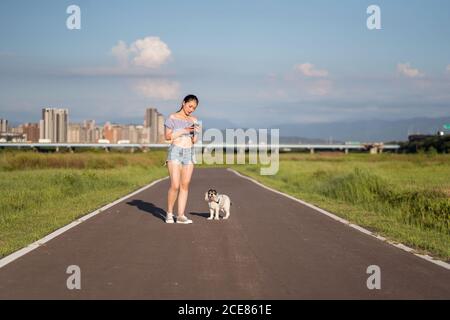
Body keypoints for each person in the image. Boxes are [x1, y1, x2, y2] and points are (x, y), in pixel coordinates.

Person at [164, 94, 200, 224]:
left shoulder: (194, 119)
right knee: (175, 185)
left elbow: (194, 140)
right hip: (175, 151)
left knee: (185, 185)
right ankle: (169, 213)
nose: (191, 109)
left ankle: (180, 215)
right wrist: (184, 130)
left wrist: (196, 132)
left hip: (189, 152)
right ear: (183, 103)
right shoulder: (172, 117)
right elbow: (168, 137)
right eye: (190, 106)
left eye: (194, 108)